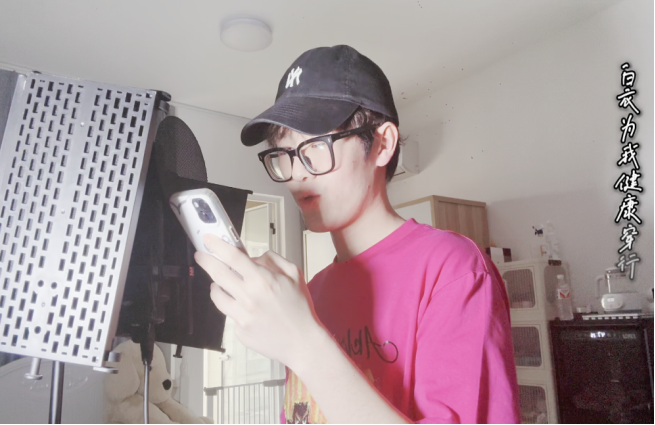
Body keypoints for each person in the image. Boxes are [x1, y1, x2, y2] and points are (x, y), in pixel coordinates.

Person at [194, 45, 520, 424]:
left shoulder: (453, 270)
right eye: (283, 153)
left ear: (382, 144)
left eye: (315, 146)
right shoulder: (311, 292)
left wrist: (304, 344)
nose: (297, 173)